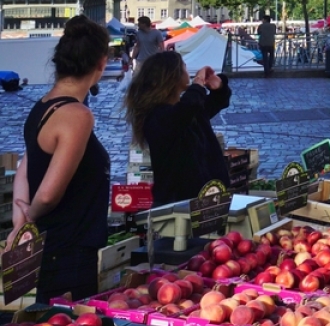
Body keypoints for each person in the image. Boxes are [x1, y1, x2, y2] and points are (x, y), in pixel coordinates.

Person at [8, 17, 111, 302]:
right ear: (101, 64)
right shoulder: (77, 116)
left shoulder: (42, 107)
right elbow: (50, 193)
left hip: (47, 249)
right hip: (69, 252)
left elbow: (24, 169)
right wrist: (31, 215)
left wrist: (21, 219)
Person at [125, 51, 231, 207]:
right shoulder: (157, 116)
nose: (188, 72)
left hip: (208, 199)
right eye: (184, 68)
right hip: (178, 204)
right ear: (172, 76)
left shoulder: (185, 111)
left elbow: (216, 102)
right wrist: (198, 83)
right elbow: (187, 108)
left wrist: (218, 87)